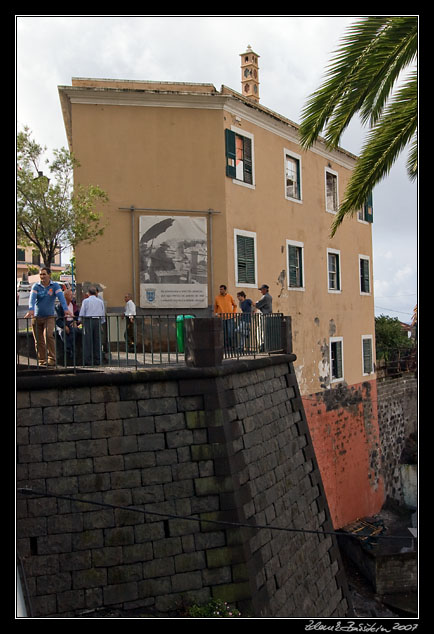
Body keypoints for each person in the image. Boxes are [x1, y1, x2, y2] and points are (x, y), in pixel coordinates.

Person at [24, 267, 72, 367]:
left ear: (49, 275)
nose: (42, 276)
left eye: (44, 274)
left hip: (49, 316)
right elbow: (32, 299)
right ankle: (42, 360)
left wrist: (65, 309)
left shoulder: (54, 286)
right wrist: (31, 310)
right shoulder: (36, 286)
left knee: (48, 335)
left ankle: (52, 358)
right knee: (38, 340)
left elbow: (61, 297)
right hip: (37, 317)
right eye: (41, 274)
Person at [79, 287, 105, 365]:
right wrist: (102, 322)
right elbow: (103, 312)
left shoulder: (86, 301)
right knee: (97, 341)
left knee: (87, 341)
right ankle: (98, 360)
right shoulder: (100, 301)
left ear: (88, 293)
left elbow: (82, 312)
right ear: (96, 293)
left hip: (88, 320)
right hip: (97, 320)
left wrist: (80, 320)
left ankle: (88, 360)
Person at [55, 287, 81, 362]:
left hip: (72, 322)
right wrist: (64, 326)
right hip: (63, 323)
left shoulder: (73, 305)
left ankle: (71, 351)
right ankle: (68, 350)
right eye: (70, 295)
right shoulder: (59, 306)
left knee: (73, 331)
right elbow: (58, 319)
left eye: (72, 295)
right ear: (65, 296)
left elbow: (77, 316)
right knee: (63, 332)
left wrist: (76, 322)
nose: (72, 297)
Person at [214, 284, 237, 349]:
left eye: (222, 289)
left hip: (230, 317)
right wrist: (216, 314)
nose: (220, 290)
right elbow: (215, 307)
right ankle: (225, 346)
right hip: (221, 318)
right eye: (220, 289)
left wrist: (234, 313)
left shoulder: (230, 296)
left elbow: (235, 305)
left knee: (230, 333)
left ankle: (231, 346)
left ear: (225, 290)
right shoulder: (217, 297)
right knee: (223, 333)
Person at [255, 284, 273, 352]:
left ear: (265, 290)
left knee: (261, 330)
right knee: (263, 330)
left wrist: (251, 303)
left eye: (261, 290)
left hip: (264, 315)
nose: (260, 291)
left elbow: (258, 305)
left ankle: (262, 346)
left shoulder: (265, 297)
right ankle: (263, 345)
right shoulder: (269, 297)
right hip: (267, 315)